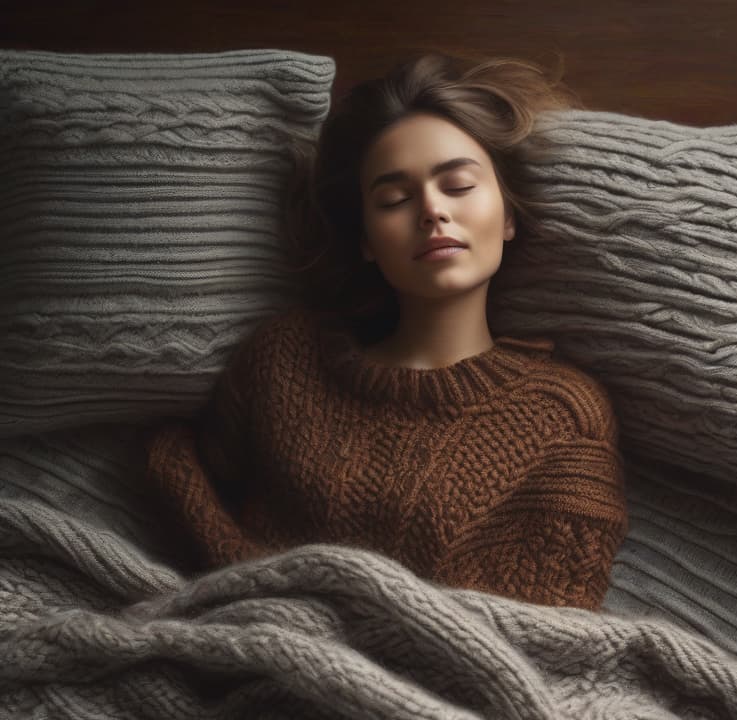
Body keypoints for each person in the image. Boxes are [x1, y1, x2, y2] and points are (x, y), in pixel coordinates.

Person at [144, 50, 629, 611]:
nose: (431, 211)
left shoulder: (562, 414)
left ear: (510, 215)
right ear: (367, 241)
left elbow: (553, 620)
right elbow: (188, 481)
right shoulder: (285, 358)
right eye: (395, 199)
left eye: (459, 186)